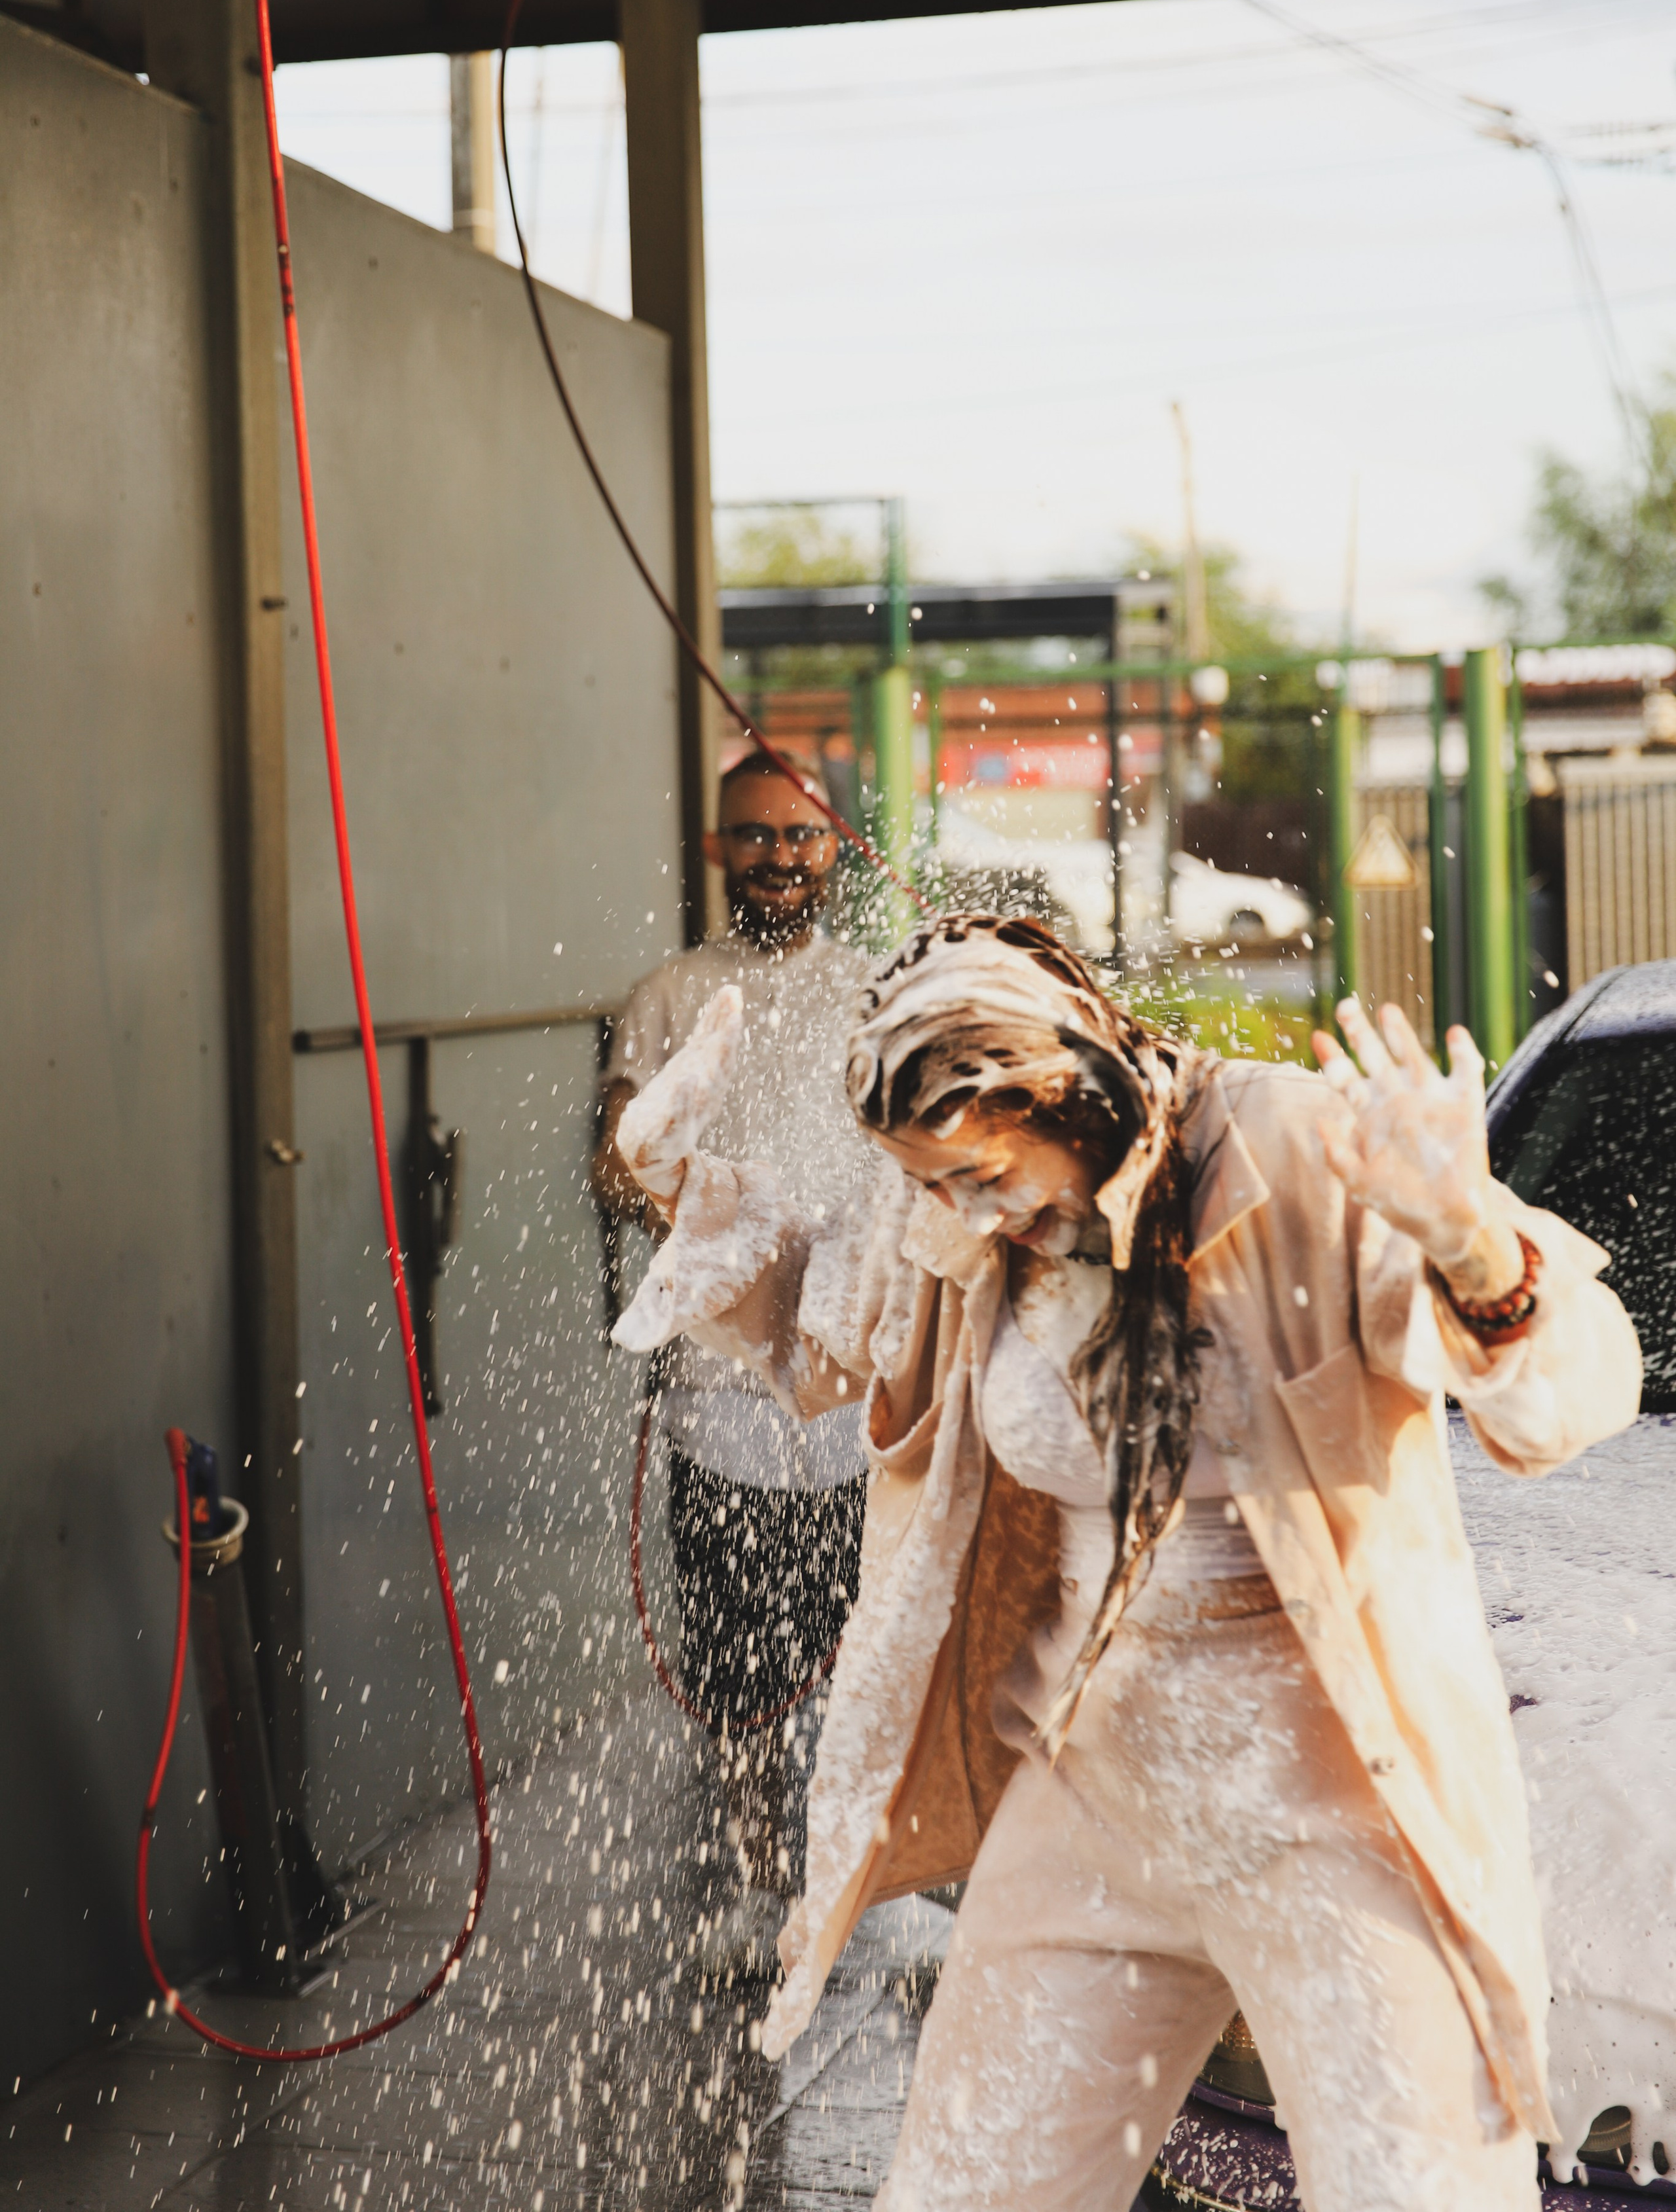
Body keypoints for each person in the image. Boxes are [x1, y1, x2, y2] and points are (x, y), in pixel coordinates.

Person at [609, 911, 1641, 2212]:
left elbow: (1573, 1393)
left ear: (1067, 1087)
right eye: (928, 1185)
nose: (963, 1214)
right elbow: (829, 1331)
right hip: (1094, 1796)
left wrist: (1468, 1244)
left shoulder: (1293, 1148)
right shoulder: (957, 1219)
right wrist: (676, 1185)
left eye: (982, 1176)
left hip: (1328, 1817)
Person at [592, 747, 871, 1970]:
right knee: (740, 1649)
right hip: (718, 1394)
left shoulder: (877, 990)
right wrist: (716, 1231)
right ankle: (758, 1879)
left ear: (835, 848)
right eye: (754, 837)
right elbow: (617, 1159)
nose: (778, 858)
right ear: (718, 851)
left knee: (863, 1644)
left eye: (800, 837)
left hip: (861, 1386)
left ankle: (864, 1879)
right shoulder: (668, 993)